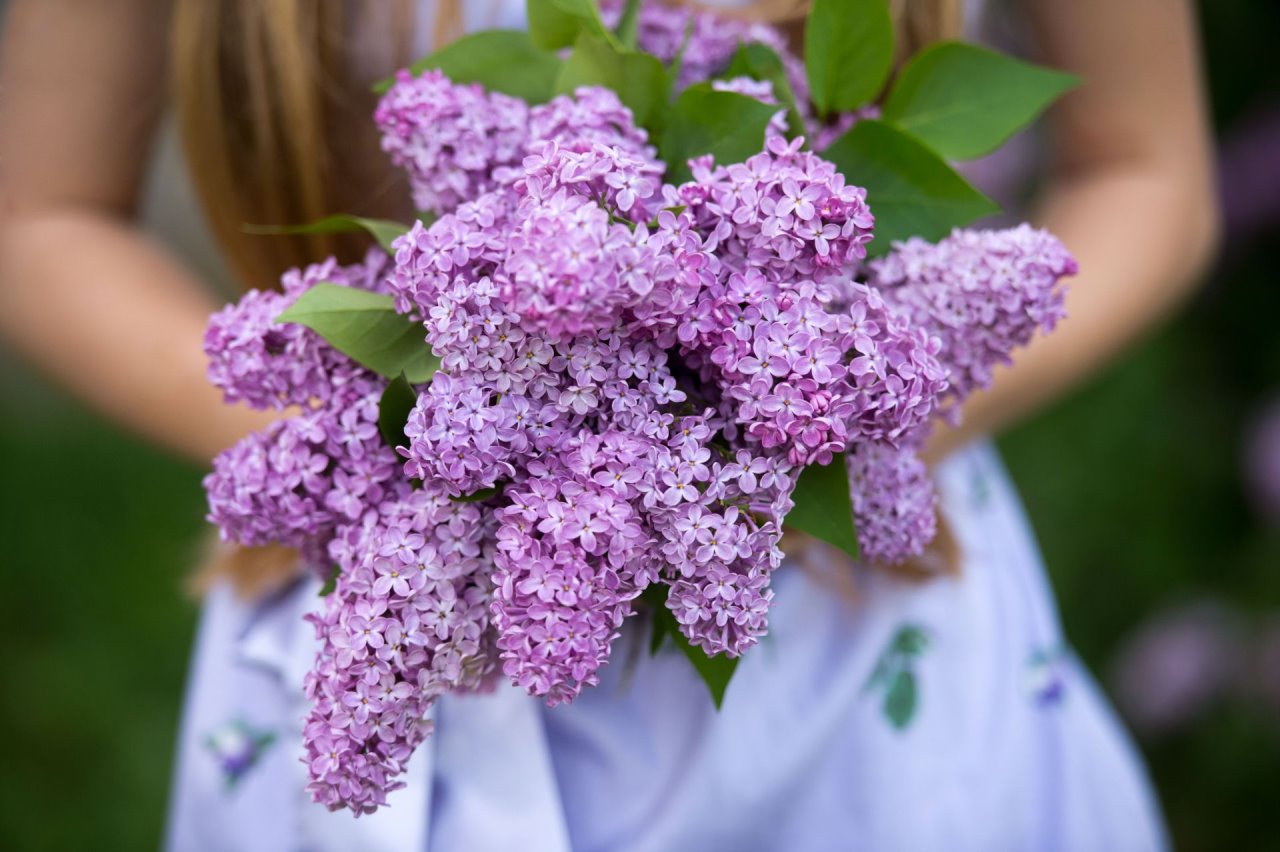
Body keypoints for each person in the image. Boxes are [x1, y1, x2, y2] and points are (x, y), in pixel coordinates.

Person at [0, 0, 1218, 850]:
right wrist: (366, 455)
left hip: (855, 652)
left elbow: (1145, 168)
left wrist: (821, 423)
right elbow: (39, 220)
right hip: (392, 602)